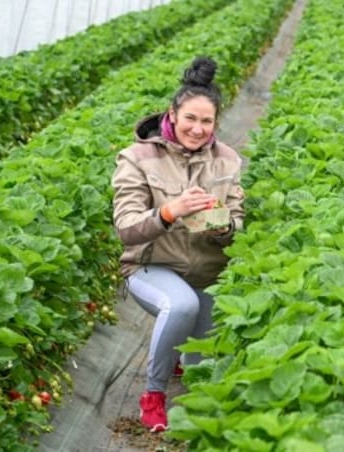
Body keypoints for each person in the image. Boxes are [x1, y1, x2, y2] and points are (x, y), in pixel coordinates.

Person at [111, 56, 244, 432]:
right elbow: (126, 228)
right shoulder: (137, 158)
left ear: (216, 123)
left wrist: (220, 225)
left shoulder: (227, 161)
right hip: (152, 267)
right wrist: (169, 212)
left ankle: (184, 362)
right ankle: (153, 395)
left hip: (206, 274)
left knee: (201, 373)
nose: (198, 129)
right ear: (172, 114)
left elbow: (237, 223)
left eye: (207, 121)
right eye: (191, 119)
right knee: (181, 305)